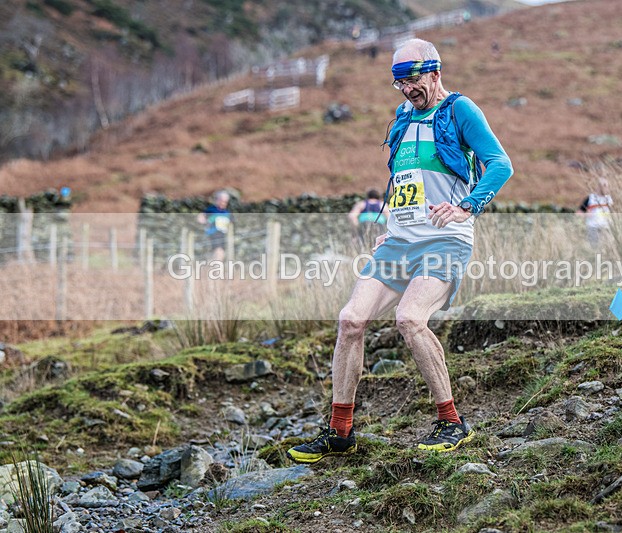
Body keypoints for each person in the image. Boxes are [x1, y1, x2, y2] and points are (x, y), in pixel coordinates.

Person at [287, 38, 513, 463]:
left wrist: (467, 206)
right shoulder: (402, 116)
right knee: (351, 321)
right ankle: (340, 433)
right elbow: (404, 176)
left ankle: (452, 422)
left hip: (444, 240)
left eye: (413, 80)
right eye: (399, 83)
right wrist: (387, 222)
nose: (408, 90)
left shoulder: (459, 110)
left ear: (435, 72)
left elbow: (501, 163)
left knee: (410, 319)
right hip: (398, 242)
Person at [578, 177, 613, 250]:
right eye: (604, 185)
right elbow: (578, 213)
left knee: (608, 247)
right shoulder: (590, 198)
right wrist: (586, 215)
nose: (606, 188)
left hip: (606, 227)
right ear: (598, 187)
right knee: (595, 248)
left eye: (607, 185)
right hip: (593, 227)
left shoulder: (609, 199)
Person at [197, 190, 232, 261]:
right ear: (217, 200)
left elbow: (230, 223)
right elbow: (200, 218)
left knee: (220, 254)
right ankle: (216, 269)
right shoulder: (211, 210)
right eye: (222, 201)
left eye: (225, 202)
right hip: (213, 235)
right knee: (219, 253)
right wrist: (205, 221)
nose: (223, 203)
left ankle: (214, 269)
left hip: (223, 236)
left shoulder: (227, 212)